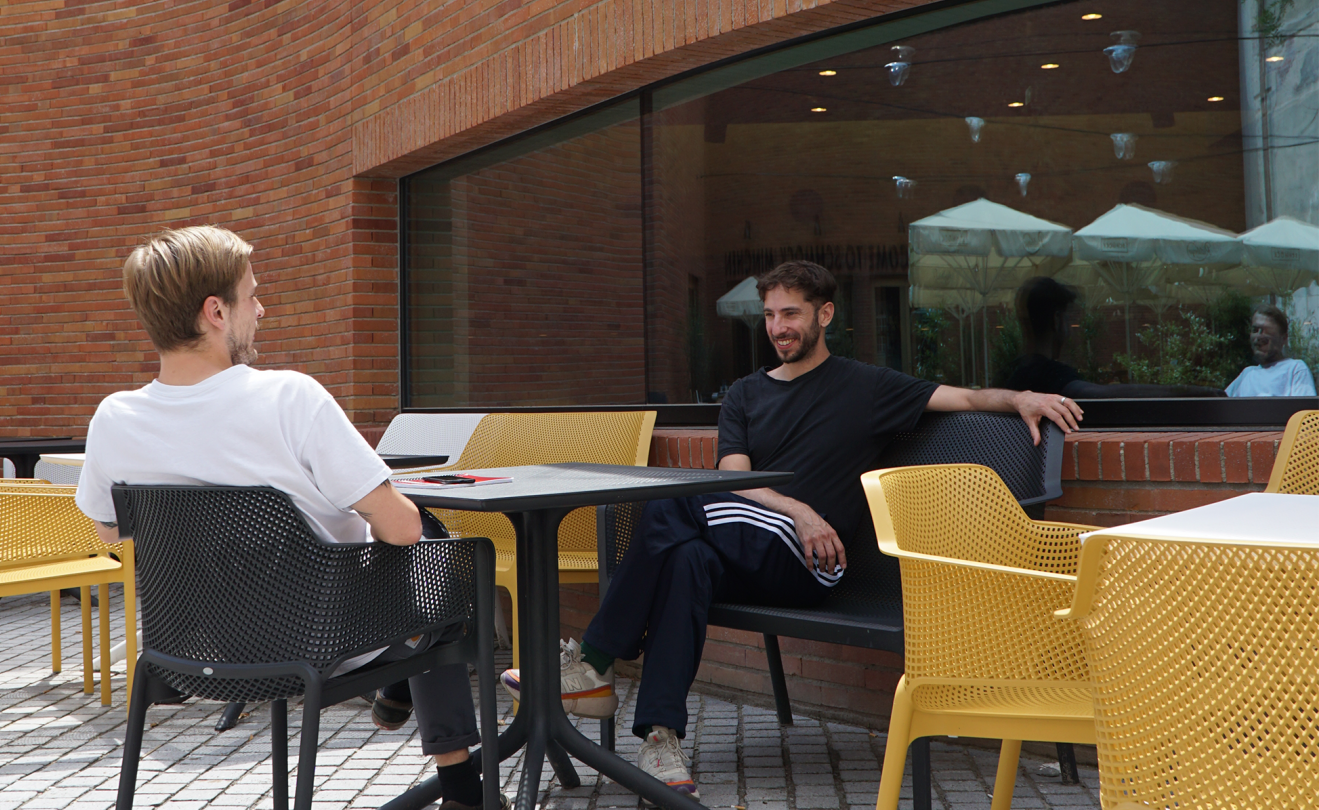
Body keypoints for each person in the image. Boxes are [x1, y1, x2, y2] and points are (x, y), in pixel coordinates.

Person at [499, 261, 1084, 802]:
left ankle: (598, 659)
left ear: (824, 315)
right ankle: (660, 739)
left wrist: (1022, 396)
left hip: (811, 561)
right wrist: (794, 506)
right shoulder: (746, 395)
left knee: (671, 502)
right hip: (753, 542)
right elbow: (733, 482)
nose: (779, 327)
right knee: (685, 561)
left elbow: (966, 396)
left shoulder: (867, 387)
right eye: (771, 315)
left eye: (792, 313)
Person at [74, 226, 495, 810]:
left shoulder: (114, 417)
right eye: (252, 296)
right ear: (215, 312)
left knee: (423, 566)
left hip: (195, 647)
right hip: (323, 641)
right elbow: (399, 530)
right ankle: (460, 787)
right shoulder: (289, 397)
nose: (261, 308)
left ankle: (406, 702)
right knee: (440, 550)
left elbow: (110, 532)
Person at [1005, 276, 1226, 398]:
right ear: (1057, 321)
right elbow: (1101, 395)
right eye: (1071, 319)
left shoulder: (1014, 372)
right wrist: (1184, 391)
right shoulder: (1049, 374)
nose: (1073, 329)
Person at [1226, 305, 1317, 397]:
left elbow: (1303, 408)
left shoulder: (1295, 369)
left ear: (1284, 338)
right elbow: (1221, 404)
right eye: (1255, 330)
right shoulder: (1247, 374)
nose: (1258, 337)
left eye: (1267, 332)